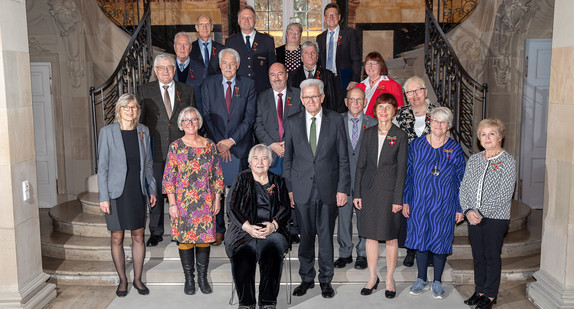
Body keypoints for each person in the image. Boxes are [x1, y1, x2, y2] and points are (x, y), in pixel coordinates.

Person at [283, 78, 350, 299]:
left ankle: (326, 280)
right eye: (307, 97)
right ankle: (306, 278)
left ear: (322, 97)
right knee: (306, 236)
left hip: (328, 188)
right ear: (301, 100)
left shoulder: (335, 120)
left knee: (325, 235)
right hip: (302, 189)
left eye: (315, 96)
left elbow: (343, 157)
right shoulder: (292, 122)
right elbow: (288, 160)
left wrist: (342, 188)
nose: (311, 100)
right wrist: (290, 189)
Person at [98, 93, 157, 297]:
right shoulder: (107, 132)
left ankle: (138, 279)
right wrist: (103, 197)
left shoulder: (143, 131)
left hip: (137, 191)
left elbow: (148, 164)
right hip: (115, 193)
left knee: (138, 236)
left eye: (134, 108)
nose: (130, 111)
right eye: (126, 107)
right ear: (119, 110)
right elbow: (103, 167)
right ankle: (123, 280)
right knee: (117, 237)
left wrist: (152, 189)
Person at [403, 106, 465, 299]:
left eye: (443, 122)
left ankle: (437, 281)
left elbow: (460, 179)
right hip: (419, 201)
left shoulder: (454, 148)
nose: (439, 125)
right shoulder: (417, 145)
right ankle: (421, 279)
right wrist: (406, 201)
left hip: (444, 204)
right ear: (430, 122)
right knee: (420, 240)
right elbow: (408, 175)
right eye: (436, 121)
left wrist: (459, 207)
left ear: (448, 126)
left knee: (440, 240)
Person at [162, 106, 224, 295]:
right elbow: (168, 178)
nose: (190, 123)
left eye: (194, 119)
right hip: (182, 203)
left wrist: (218, 198)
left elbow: (217, 174)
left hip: (206, 200)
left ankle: (203, 278)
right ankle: (189, 278)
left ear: (199, 123)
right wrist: (172, 204)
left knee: (204, 239)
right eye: (186, 120)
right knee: (186, 240)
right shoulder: (175, 147)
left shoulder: (209, 145)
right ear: (181, 124)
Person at [138, 53, 196, 247]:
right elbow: (140, 124)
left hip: (181, 153)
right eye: (161, 68)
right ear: (155, 71)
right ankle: (155, 231)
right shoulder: (144, 91)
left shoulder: (186, 91)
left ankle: (182, 229)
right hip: (154, 151)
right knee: (154, 191)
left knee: (182, 192)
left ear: (174, 69)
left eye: (169, 67)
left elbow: (193, 122)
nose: (165, 71)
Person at [353, 93, 407, 298]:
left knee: (391, 237)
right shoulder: (368, 133)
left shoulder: (400, 136)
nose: (384, 111)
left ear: (394, 111)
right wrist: (357, 192)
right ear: (374, 111)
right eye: (380, 107)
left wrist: (398, 199)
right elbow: (361, 166)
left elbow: (401, 170)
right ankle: (372, 277)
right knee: (370, 236)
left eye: (388, 107)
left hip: (389, 193)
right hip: (368, 192)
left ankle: (390, 279)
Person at [201, 48, 256, 245]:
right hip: (216, 146)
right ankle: (218, 229)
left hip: (239, 146)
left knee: (238, 192)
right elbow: (205, 115)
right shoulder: (209, 83)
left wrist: (231, 141)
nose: (228, 67)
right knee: (216, 189)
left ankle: (237, 228)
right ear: (219, 64)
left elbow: (249, 117)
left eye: (232, 63)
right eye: (225, 63)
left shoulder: (248, 84)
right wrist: (220, 143)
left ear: (238, 65)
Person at [460, 119, 516, 309]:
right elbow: (464, 187)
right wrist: (467, 210)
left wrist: (480, 212)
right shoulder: (475, 159)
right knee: (478, 255)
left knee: (491, 256)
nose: (487, 137)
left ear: (500, 137)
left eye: (492, 133)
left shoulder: (507, 161)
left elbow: (504, 194)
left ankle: (491, 295)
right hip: (473, 217)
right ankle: (480, 290)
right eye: (483, 134)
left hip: (496, 218)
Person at [226, 144, 291, 309]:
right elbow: (232, 207)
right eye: (256, 158)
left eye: (264, 158)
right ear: (250, 162)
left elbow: (285, 207)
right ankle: (246, 303)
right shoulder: (242, 178)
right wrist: (248, 227)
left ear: (269, 162)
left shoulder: (277, 181)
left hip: (272, 230)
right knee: (243, 256)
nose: (260, 162)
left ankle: (268, 303)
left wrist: (274, 225)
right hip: (244, 230)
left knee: (272, 253)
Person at [253, 63, 302, 243]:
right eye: (273, 75)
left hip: (294, 152)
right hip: (270, 153)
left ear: (286, 75)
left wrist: (288, 143)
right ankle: (275, 226)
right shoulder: (262, 97)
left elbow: (304, 121)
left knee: (292, 190)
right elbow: (257, 124)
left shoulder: (297, 95)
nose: (276, 78)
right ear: (269, 77)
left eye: (280, 74)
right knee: (273, 192)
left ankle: (294, 228)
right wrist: (272, 144)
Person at [394, 75, 437, 267]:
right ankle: (411, 250)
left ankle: (427, 250)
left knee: (429, 212)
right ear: (406, 95)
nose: (414, 95)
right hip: (408, 171)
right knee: (409, 211)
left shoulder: (438, 113)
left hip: (433, 172)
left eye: (418, 90)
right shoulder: (400, 114)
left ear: (425, 92)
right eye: (410, 92)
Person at [334, 88, 377, 270]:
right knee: (343, 218)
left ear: (365, 102)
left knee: (364, 218)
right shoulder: (336, 122)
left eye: (359, 100)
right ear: (346, 101)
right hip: (342, 180)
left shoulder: (374, 123)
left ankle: (362, 253)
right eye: (352, 99)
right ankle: (345, 253)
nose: (355, 103)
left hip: (365, 182)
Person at [225, 5, 277, 94]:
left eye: (250, 17)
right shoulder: (230, 42)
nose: (246, 21)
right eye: (243, 18)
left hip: (262, 91)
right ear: (238, 21)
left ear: (255, 20)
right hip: (238, 90)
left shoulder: (267, 41)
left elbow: (272, 68)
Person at [317, 3, 362, 104]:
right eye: (328, 15)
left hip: (344, 80)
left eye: (334, 14)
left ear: (339, 17)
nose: (331, 17)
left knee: (343, 113)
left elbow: (356, 59)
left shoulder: (349, 34)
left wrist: (355, 79)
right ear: (324, 18)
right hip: (326, 81)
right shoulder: (320, 38)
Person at [288, 41, 339, 112]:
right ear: (301, 58)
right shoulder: (292, 76)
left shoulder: (328, 75)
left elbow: (332, 102)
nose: (310, 55)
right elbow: (291, 100)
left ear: (317, 57)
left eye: (313, 52)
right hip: (299, 117)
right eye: (306, 53)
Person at [355, 51, 404, 118]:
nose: (370, 67)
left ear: (381, 66)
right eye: (368, 63)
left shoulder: (393, 86)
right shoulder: (359, 87)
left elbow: (399, 111)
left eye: (374, 64)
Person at [173, 32, 206, 110]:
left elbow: (205, 100)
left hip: (194, 117)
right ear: (174, 47)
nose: (182, 48)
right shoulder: (167, 68)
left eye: (185, 44)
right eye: (179, 44)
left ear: (190, 48)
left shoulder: (201, 69)